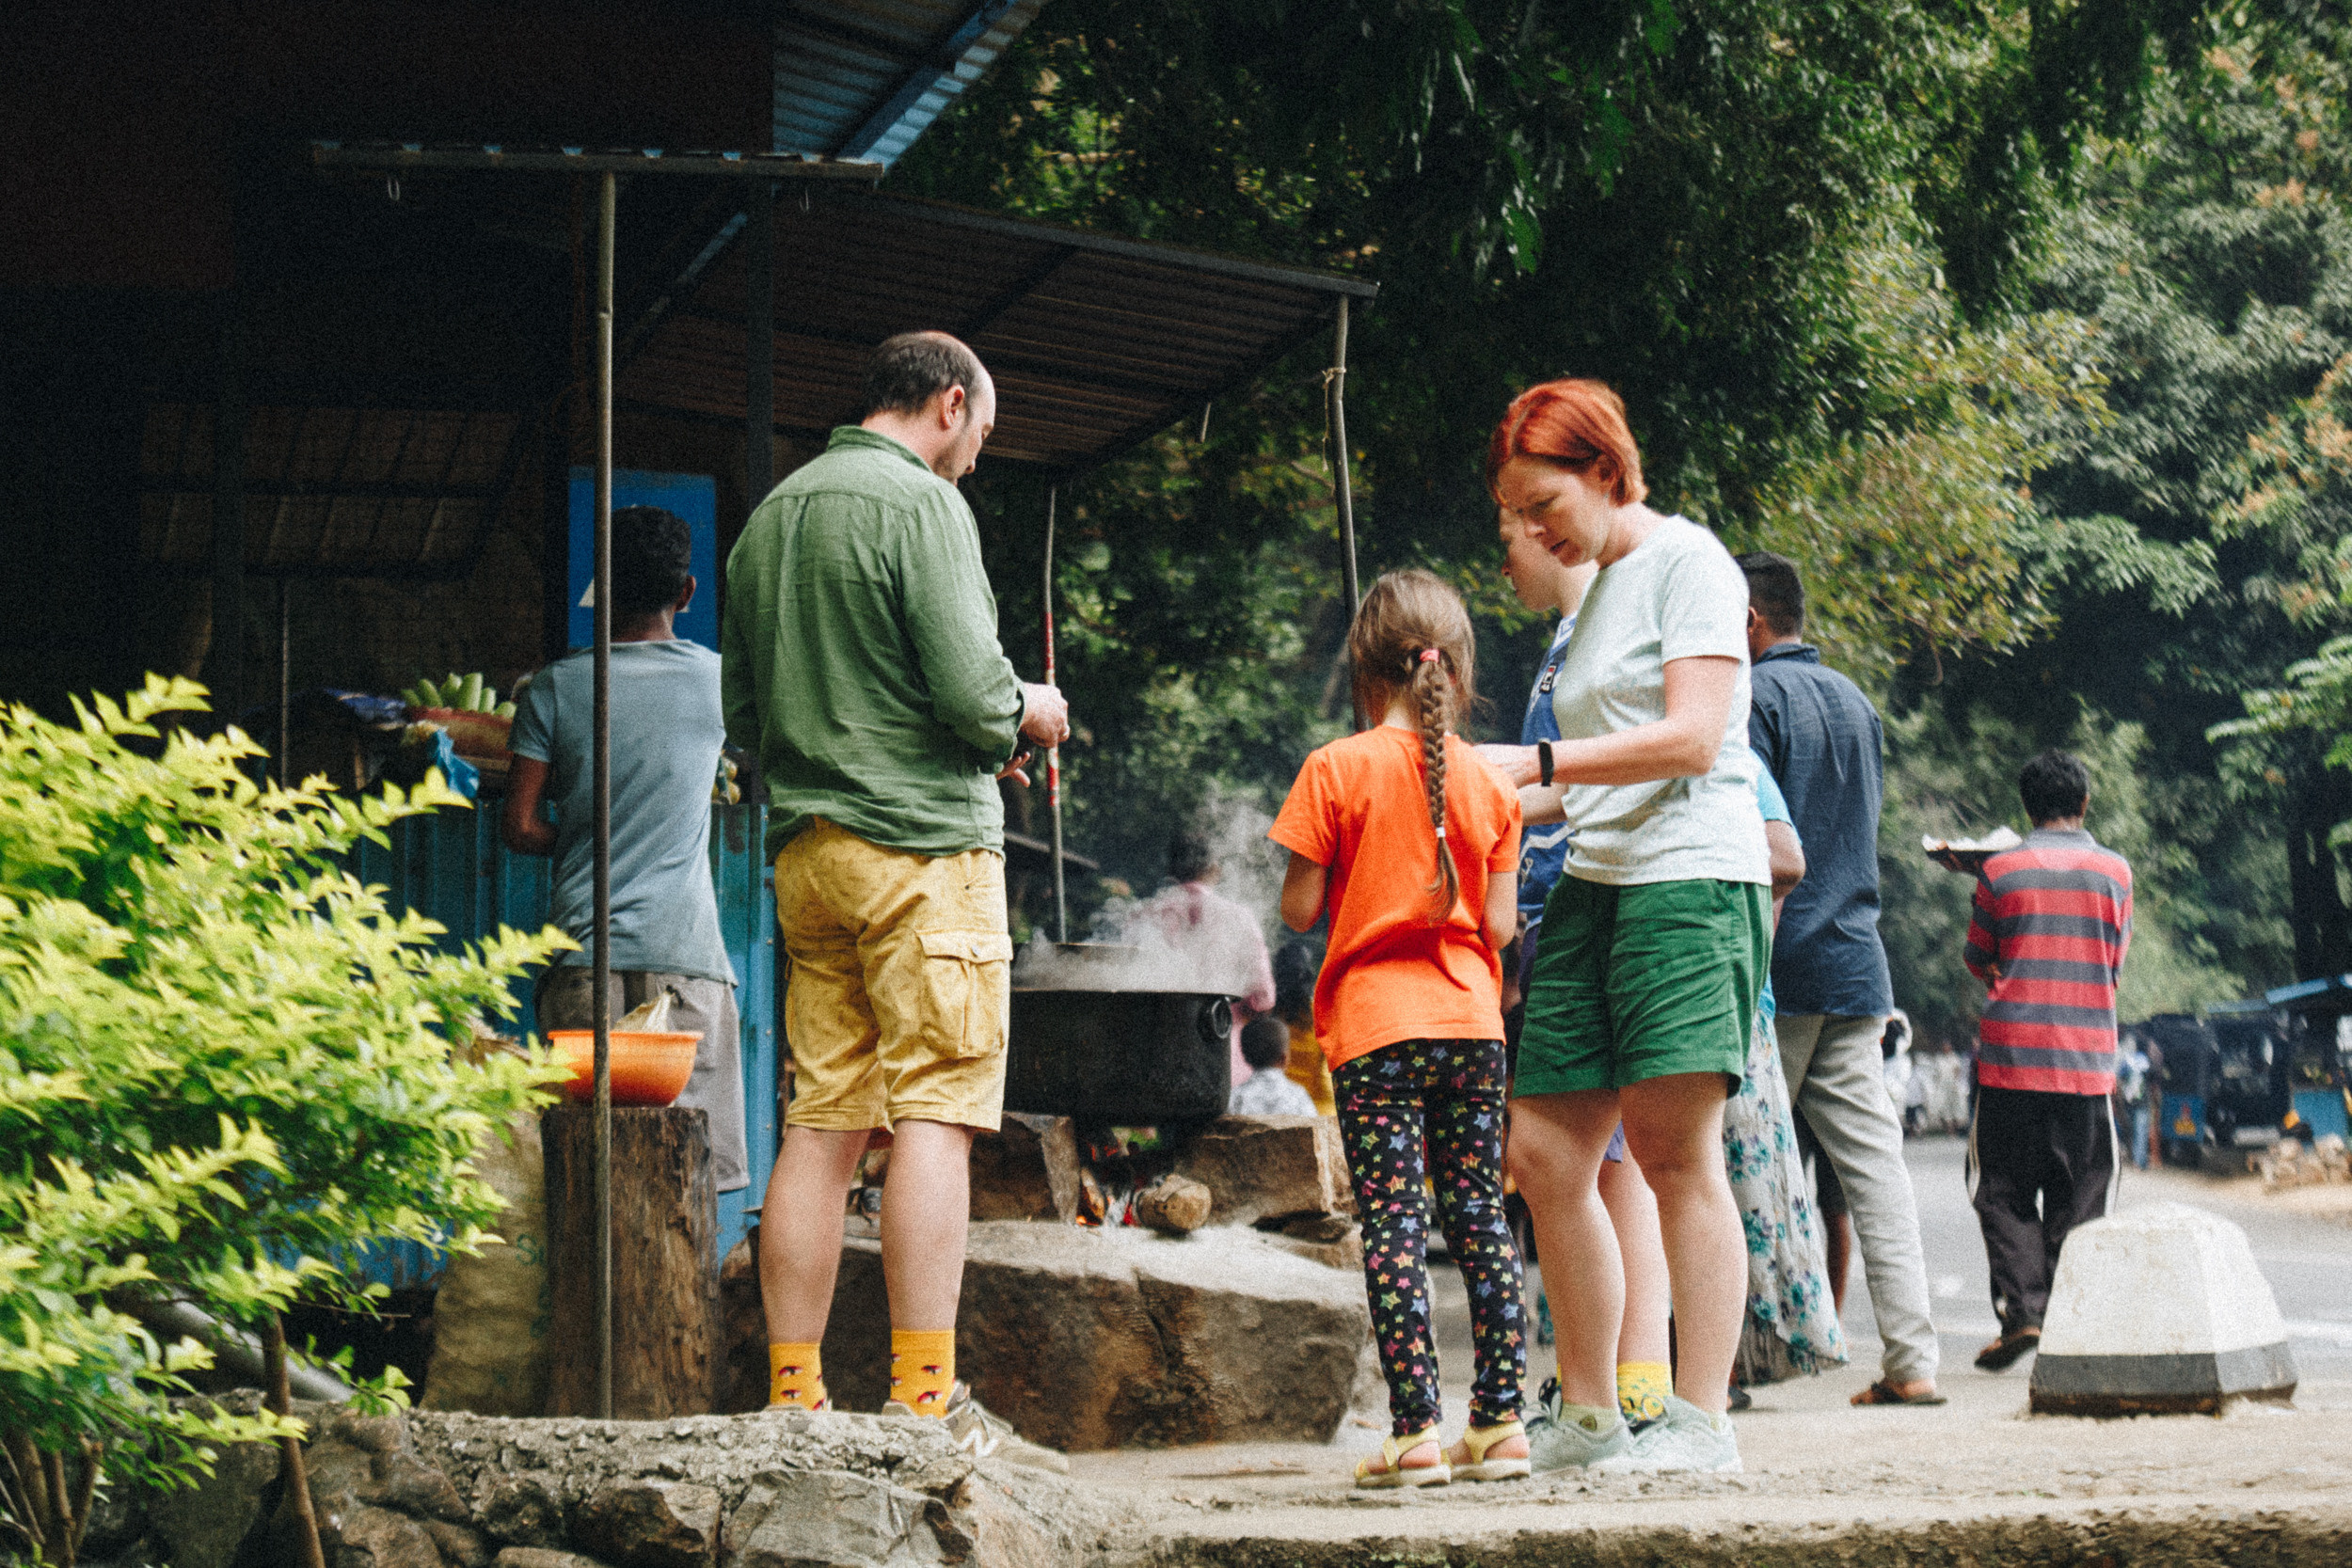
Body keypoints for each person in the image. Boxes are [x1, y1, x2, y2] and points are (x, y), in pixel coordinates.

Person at [720, 330, 1070, 1468]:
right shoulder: (921, 505)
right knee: (935, 1111)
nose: (975, 458)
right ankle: (924, 1398)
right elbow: (975, 695)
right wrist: (1035, 709)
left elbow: (747, 710)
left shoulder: (771, 516)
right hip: (921, 852)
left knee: (822, 1118)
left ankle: (795, 1392)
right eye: (981, 436)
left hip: (808, 853)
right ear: (950, 404)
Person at [1497, 379, 1765, 1476]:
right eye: (1514, 516)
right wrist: (1487, 793)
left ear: (1606, 472)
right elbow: (1578, 778)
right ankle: (1590, 1409)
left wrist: (1541, 763)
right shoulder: (1593, 596)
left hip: (1690, 879)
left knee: (1670, 1150)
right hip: (1598, 881)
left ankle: (1700, 1420)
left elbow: (1693, 737)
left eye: (1542, 505)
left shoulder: (1689, 563)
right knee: (1544, 1147)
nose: (1531, 533)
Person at [1271, 569, 1528, 1489]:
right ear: (1453, 669)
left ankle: (1414, 1431)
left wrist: (1347, 877)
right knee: (1478, 1216)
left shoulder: (1332, 769)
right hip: (1470, 1022)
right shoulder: (1490, 783)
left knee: (1391, 1219)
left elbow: (1300, 907)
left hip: (1377, 1031)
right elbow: (1498, 927)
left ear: (1363, 668)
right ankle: (1499, 1422)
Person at [1475, 511, 1676, 1430]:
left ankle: (1627, 1382)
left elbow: (1609, 773)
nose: (1500, 550)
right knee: (1577, 1163)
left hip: (1601, 902)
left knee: (1600, 1162)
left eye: (1510, 526)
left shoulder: (1610, 631)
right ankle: (1609, 1386)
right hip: (1561, 904)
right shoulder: (1567, 643)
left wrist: (1502, 778)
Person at [1736, 550, 1944, 1407]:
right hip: (1858, 964)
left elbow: (1757, 839)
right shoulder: (1857, 703)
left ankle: (1725, 1367)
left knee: (1734, 1163)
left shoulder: (1752, 700)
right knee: (1875, 1170)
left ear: (1749, 621)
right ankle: (1914, 1359)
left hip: (1779, 968)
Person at [503, 504, 750, 1196]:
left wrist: (589, 834)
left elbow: (518, 824)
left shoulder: (556, 686)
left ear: (599, 587)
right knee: (684, 1184)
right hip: (687, 966)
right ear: (687, 592)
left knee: (584, 1186)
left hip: (586, 960)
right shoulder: (719, 683)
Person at [1963, 749, 2134, 1371]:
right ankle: (2070, 1320)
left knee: (2004, 1189)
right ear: (2084, 802)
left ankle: (2025, 1312)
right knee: (2082, 1190)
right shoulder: (2116, 873)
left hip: (2010, 1058)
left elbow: (1978, 956)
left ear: (2027, 807)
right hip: (2086, 1059)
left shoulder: (2000, 870)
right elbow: (2112, 964)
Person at [1726, 752, 1848, 1394]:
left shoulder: (1728, 757)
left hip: (1732, 993)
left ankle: (1714, 1369)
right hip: (1741, 990)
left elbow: (1787, 859)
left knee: (1726, 1185)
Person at [1137, 831, 1277, 1086]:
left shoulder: (1145, 916)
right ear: (1214, 867)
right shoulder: (1239, 917)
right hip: (1224, 1063)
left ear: (1171, 867)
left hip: (1160, 1066)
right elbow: (1263, 998)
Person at [1231, 1016, 1318, 1116]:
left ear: (1246, 1058)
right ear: (1284, 1058)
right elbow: (1313, 1128)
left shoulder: (1236, 1097)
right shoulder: (1298, 1096)